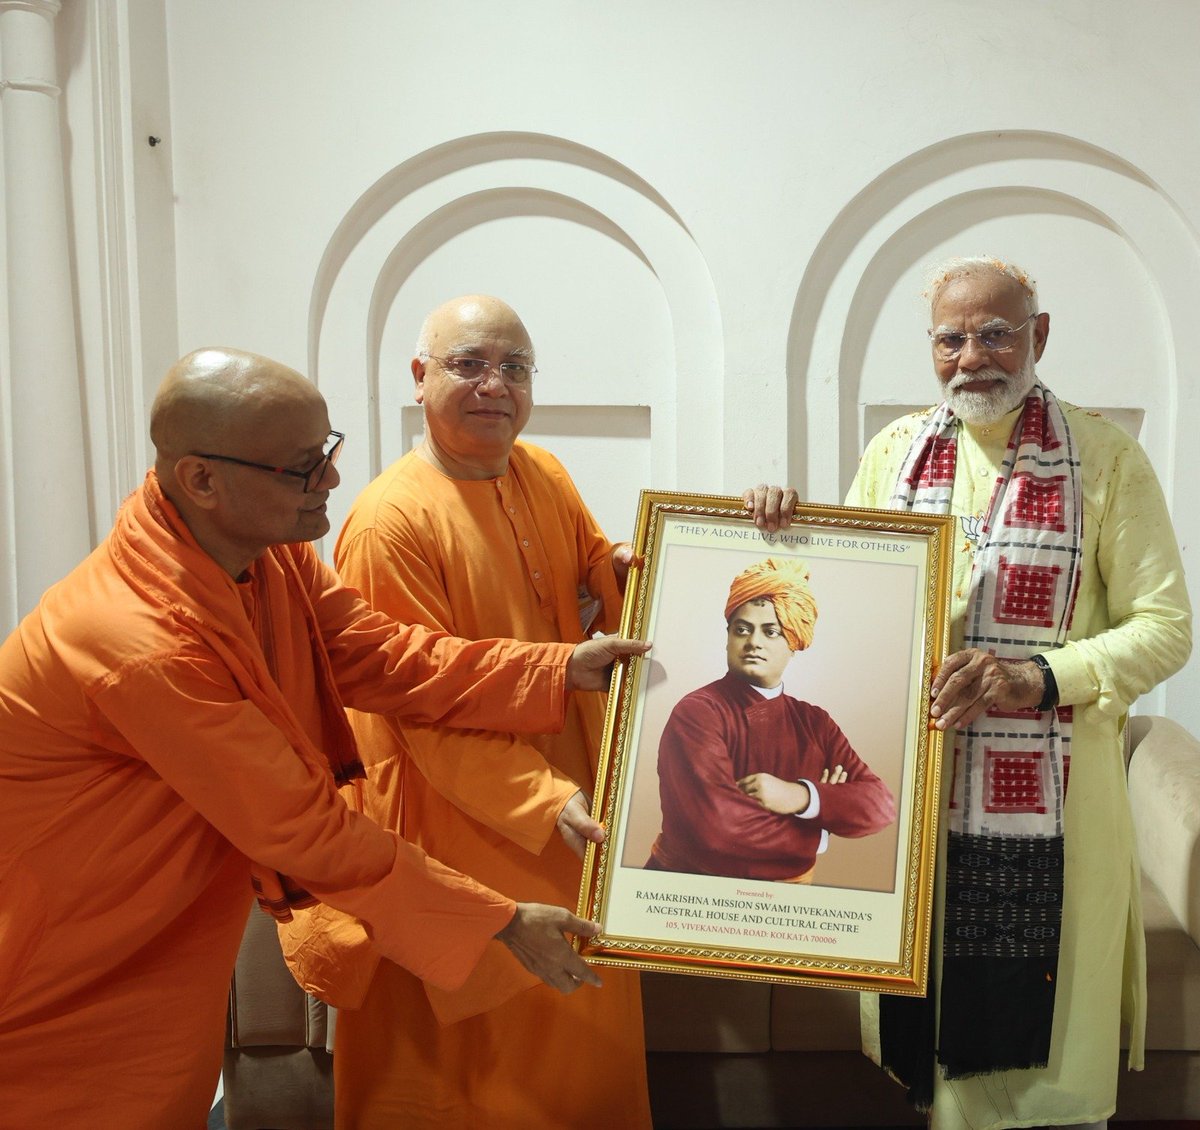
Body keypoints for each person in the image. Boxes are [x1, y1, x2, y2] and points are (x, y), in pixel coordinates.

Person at [0, 347, 648, 1128]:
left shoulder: (265, 559)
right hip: (64, 956)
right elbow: (302, 826)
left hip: (165, 938)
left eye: (328, 451)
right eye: (303, 468)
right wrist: (499, 921)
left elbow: (382, 656)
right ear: (202, 480)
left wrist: (558, 669)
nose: (333, 482)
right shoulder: (138, 642)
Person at [747, 256, 1192, 1127]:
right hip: (919, 804)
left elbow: (1166, 626)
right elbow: (844, 606)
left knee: (1049, 1063)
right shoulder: (895, 452)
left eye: (996, 333)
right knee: (942, 1046)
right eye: (951, 338)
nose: (971, 357)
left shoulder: (1104, 458)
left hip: (1057, 808)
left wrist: (1034, 676)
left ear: (1040, 336)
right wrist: (782, 532)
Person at [279, 295, 653, 1128]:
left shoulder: (543, 472)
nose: (495, 386)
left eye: (514, 369)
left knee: (584, 1073)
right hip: (463, 834)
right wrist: (546, 801)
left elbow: (593, 573)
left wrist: (645, 560)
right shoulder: (389, 520)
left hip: (576, 819)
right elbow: (415, 702)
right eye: (469, 364)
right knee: (466, 1090)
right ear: (420, 377)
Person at [645, 556, 895, 881]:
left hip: (788, 909)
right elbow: (718, 828)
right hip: (690, 897)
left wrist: (799, 796)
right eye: (742, 630)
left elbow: (879, 806)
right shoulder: (698, 712)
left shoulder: (815, 722)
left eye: (771, 632)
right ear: (728, 637)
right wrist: (819, 831)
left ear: (794, 643)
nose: (753, 642)